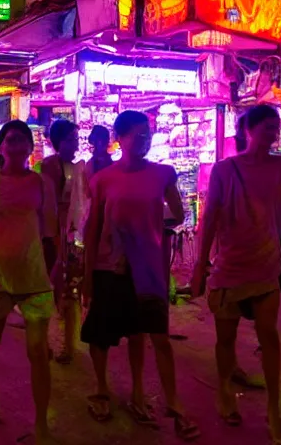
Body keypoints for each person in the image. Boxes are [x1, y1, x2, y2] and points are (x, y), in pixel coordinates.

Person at [191, 105, 281, 444]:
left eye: (276, 127)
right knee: (226, 339)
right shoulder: (224, 170)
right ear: (248, 130)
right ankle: (224, 391)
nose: (273, 133)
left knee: (270, 337)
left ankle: (275, 412)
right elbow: (211, 218)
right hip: (230, 266)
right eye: (266, 127)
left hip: (266, 265)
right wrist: (200, 266)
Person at [81, 111, 198, 440]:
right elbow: (92, 230)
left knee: (149, 335)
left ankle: (156, 398)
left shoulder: (163, 174)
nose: (144, 139)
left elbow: (179, 213)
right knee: (102, 334)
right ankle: (102, 389)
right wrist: (87, 274)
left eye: (147, 134)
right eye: (137, 134)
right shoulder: (103, 179)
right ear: (120, 138)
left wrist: (150, 229)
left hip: (148, 271)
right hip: (109, 268)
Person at [0, 121, 58, 439]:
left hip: (34, 277)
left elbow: (50, 233)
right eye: (10, 138)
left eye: (23, 139)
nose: (16, 144)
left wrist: (54, 272)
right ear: (0, 146)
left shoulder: (42, 184)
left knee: (37, 352)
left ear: (31, 147)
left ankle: (41, 424)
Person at [40, 119, 81, 365]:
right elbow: (50, 206)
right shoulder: (50, 166)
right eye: (70, 140)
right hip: (53, 237)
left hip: (71, 237)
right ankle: (45, 342)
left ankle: (68, 344)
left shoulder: (76, 167)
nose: (75, 144)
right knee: (49, 290)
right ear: (58, 142)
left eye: (76, 139)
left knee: (70, 291)